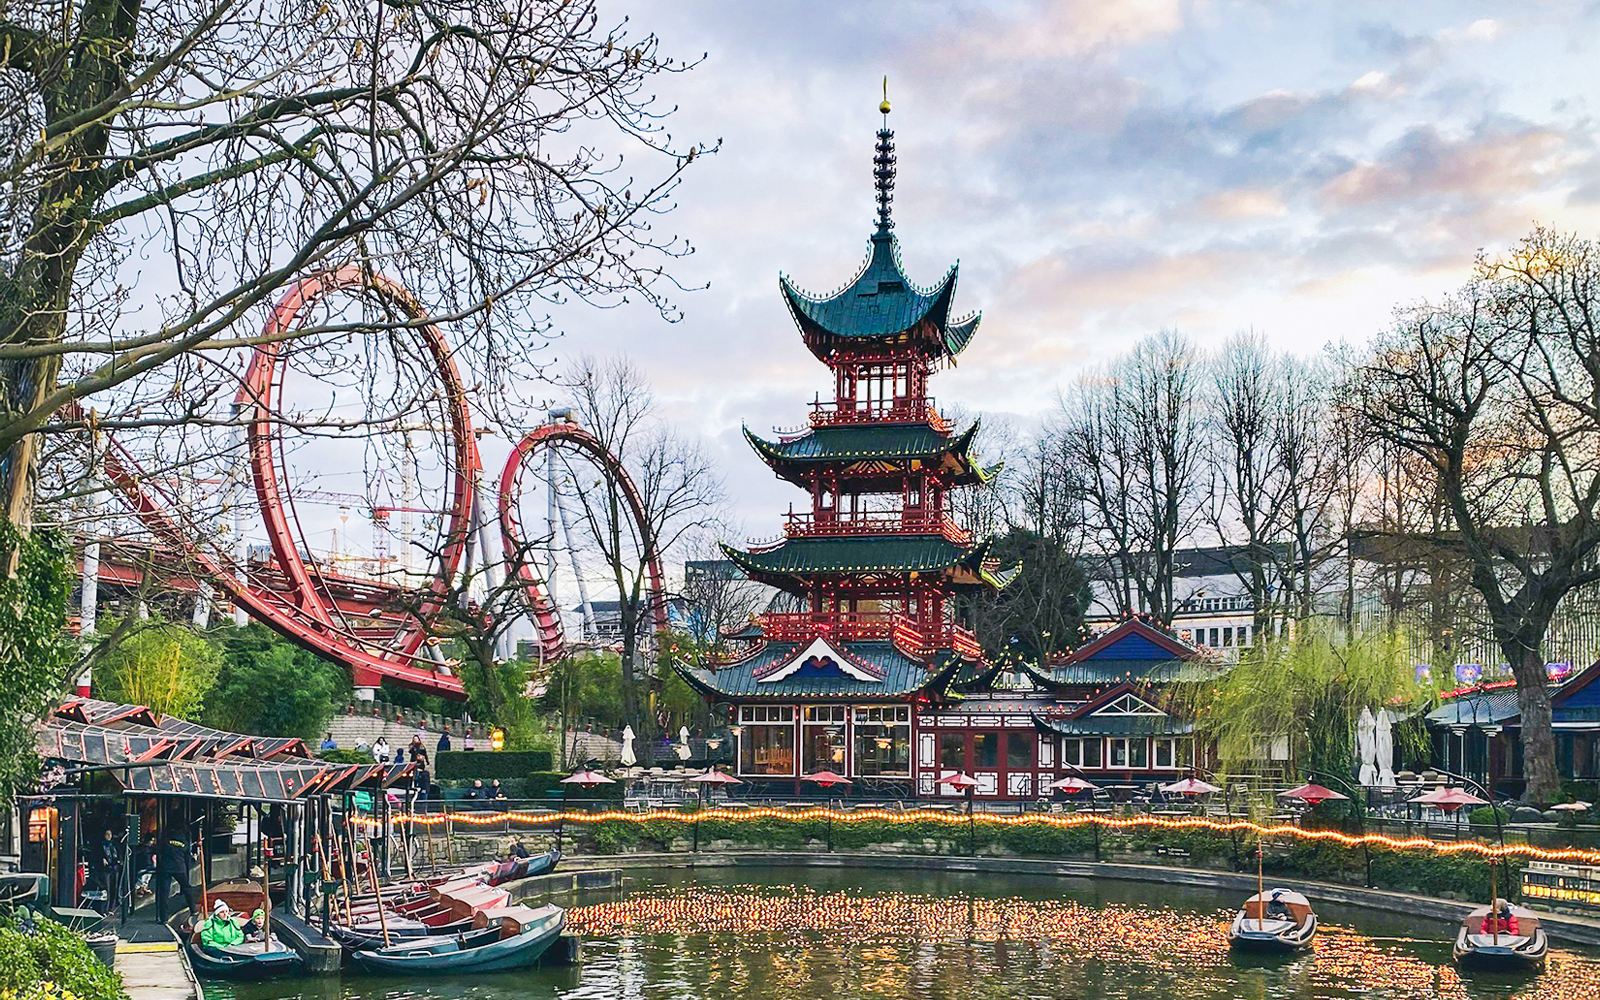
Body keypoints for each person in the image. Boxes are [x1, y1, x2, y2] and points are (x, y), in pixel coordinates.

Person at [157, 832, 199, 917]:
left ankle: (163, 917)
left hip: (166, 867)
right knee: (187, 888)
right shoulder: (184, 843)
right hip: (179, 868)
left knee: (164, 892)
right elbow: (187, 857)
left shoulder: (164, 841)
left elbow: (158, 851)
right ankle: (193, 909)